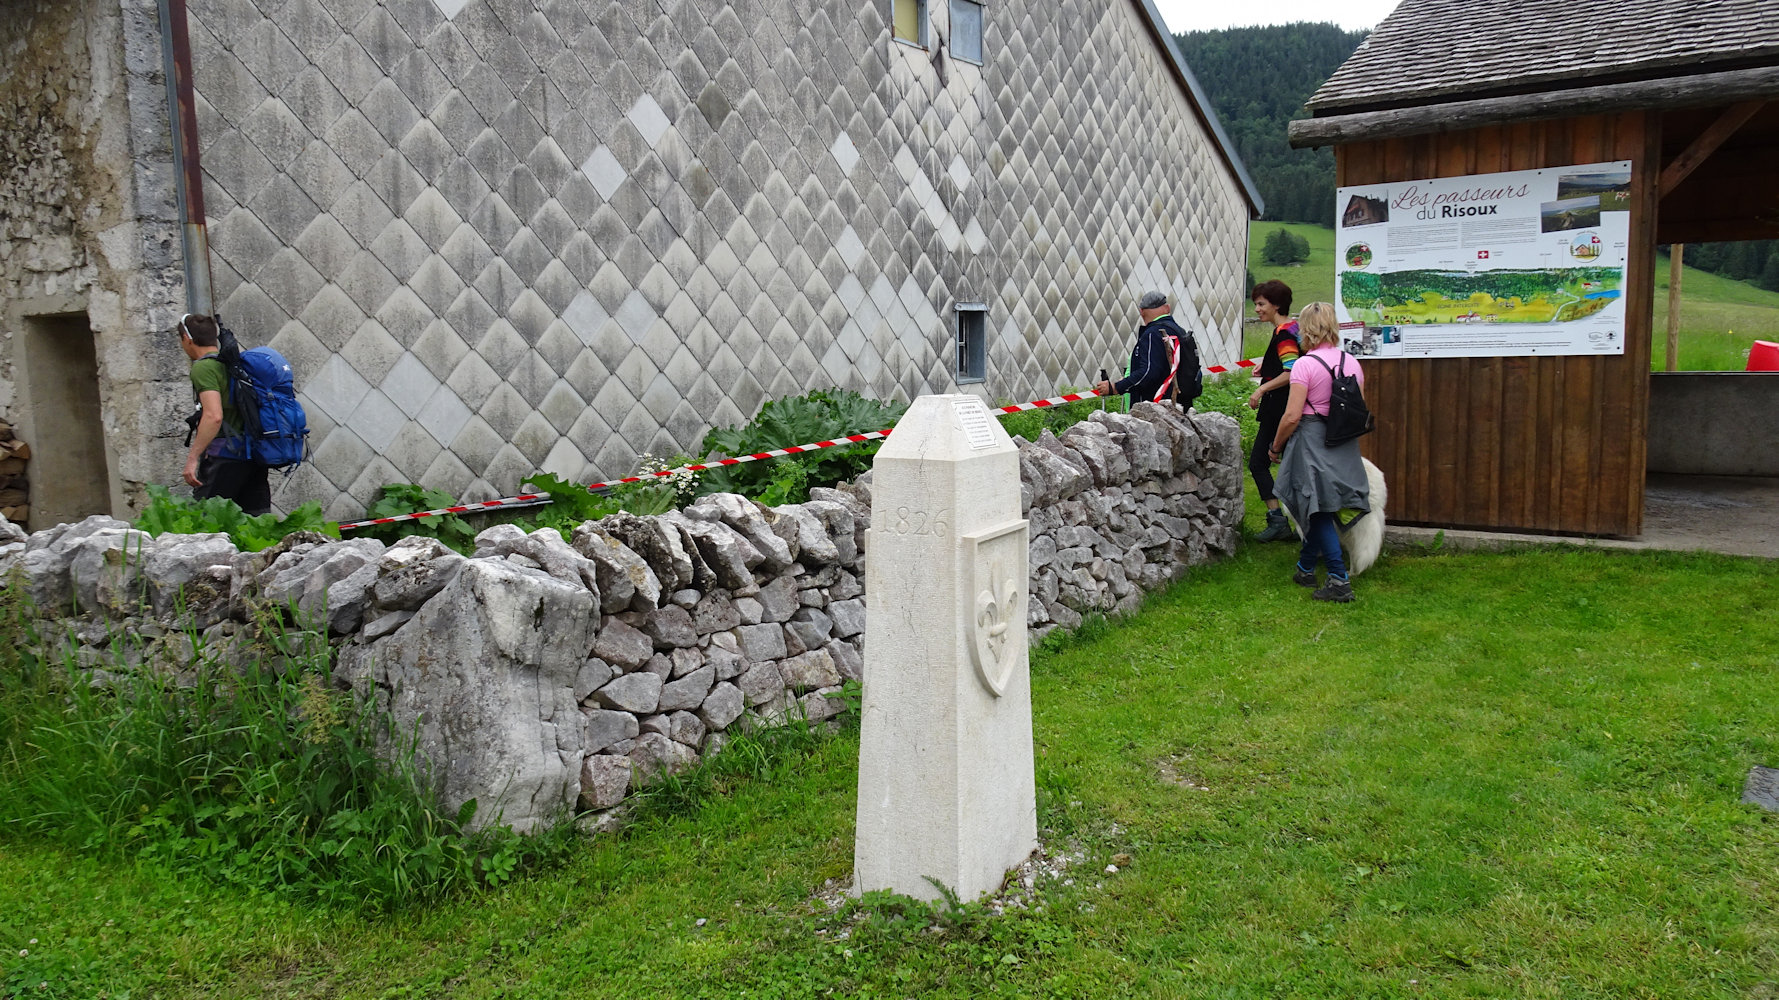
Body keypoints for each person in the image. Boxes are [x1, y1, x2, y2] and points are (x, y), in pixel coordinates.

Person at [1269, 302, 1370, 603]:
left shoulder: (1305, 365)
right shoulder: (1352, 362)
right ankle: (1305, 567)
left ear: (1307, 330)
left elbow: (1291, 416)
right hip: (1343, 438)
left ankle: (1339, 580)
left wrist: (1276, 446)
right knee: (1322, 503)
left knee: (1317, 506)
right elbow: (1359, 406)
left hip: (1312, 439)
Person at [178, 313, 270, 515]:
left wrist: (192, 458)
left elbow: (213, 416)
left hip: (225, 457)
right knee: (256, 524)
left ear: (187, 338)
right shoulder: (236, 364)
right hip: (255, 456)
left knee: (204, 524)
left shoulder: (204, 368)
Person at [1246, 280, 1300, 542]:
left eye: (1261, 304)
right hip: (1284, 407)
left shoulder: (1284, 333)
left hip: (1279, 409)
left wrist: (1261, 388)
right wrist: (1265, 368)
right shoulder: (1291, 328)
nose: (1257, 309)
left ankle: (1279, 521)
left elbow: (1291, 372)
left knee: (1259, 462)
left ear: (1276, 304)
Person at [1094, 291, 1197, 407]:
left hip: (1156, 408)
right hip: (1180, 402)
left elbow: (1149, 372)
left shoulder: (1152, 334)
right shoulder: (1178, 331)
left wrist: (1116, 387)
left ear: (1141, 312)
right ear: (1167, 308)